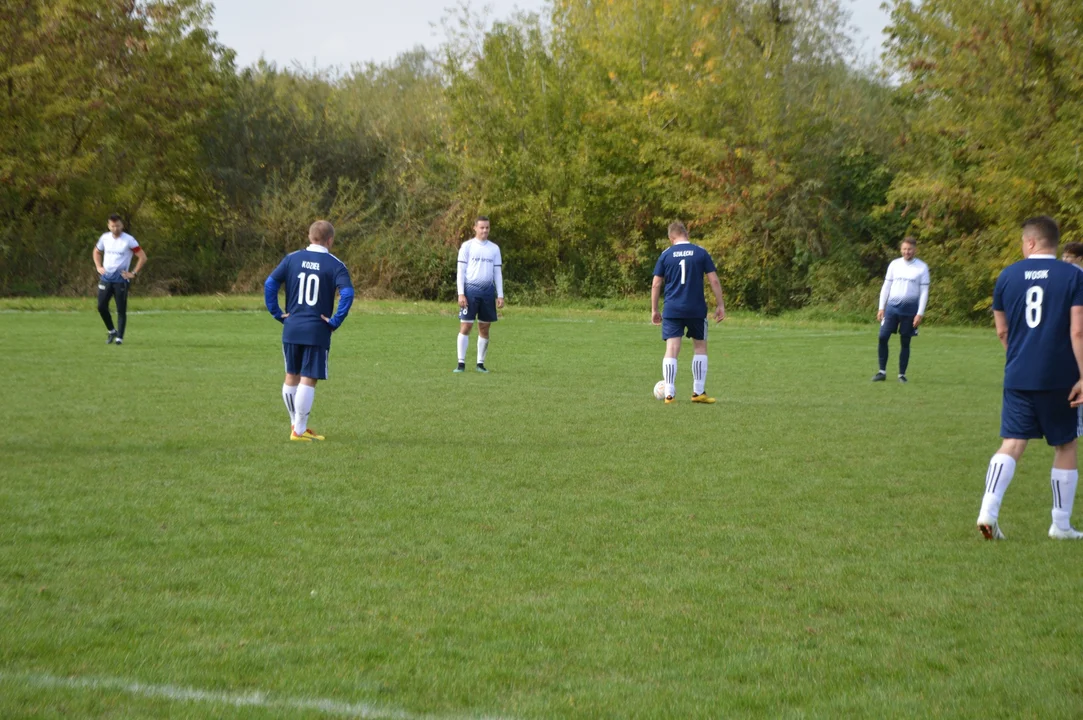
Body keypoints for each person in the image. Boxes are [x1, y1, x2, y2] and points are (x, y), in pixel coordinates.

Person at [977, 216, 1083, 540]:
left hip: (1019, 373)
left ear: (1032, 242)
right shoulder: (1073, 275)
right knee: (1065, 444)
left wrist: (1020, 356)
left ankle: (988, 512)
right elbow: (1077, 329)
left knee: (1012, 442)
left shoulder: (1007, 276)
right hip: (1060, 375)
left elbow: (1002, 330)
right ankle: (1060, 525)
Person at [264, 220, 354, 442]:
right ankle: (299, 429)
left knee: (291, 375)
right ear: (330, 240)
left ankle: (296, 426)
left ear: (309, 236)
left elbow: (270, 284)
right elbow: (348, 294)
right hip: (316, 329)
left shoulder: (292, 258)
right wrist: (334, 321)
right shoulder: (335, 265)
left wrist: (277, 312)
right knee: (309, 378)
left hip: (292, 326)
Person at [650, 221, 725, 404]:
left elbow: (656, 283)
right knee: (699, 348)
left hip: (673, 309)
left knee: (672, 349)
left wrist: (654, 310)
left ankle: (669, 394)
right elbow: (714, 281)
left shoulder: (666, 255)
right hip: (696, 309)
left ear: (671, 237)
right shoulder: (700, 252)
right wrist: (720, 305)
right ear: (687, 233)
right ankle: (698, 392)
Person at [873, 237, 930, 383]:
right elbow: (886, 287)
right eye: (904, 249)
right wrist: (881, 307)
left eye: (910, 249)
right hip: (892, 309)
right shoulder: (894, 264)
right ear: (901, 249)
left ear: (915, 250)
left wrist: (920, 313)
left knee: (905, 341)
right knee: (882, 337)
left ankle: (901, 375)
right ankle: (881, 371)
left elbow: (924, 292)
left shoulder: (922, 268)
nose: (907, 252)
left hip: (910, 311)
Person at [455, 216, 504, 373]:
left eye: (487, 228)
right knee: (466, 325)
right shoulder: (467, 247)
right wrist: (461, 293)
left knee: (484, 327)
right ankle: (461, 363)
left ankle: (480, 364)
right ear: (474, 228)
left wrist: (500, 295)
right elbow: (461, 272)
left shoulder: (494, 249)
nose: (485, 230)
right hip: (470, 292)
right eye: (482, 227)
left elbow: (497, 273)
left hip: (488, 293)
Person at [92, 214, 147, 345]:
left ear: (122, 225)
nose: (115, 228)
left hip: (121, 279)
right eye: (112, 226)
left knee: (121, 308)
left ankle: (119, 338)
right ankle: (112, 330)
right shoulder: (104, 238)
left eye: (117, 226)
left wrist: (133, 273)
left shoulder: (129, 240)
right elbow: (96, 251)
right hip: (106, 278)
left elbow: (142, 257)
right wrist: (98, 266)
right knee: (101, 306)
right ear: (108, 226)